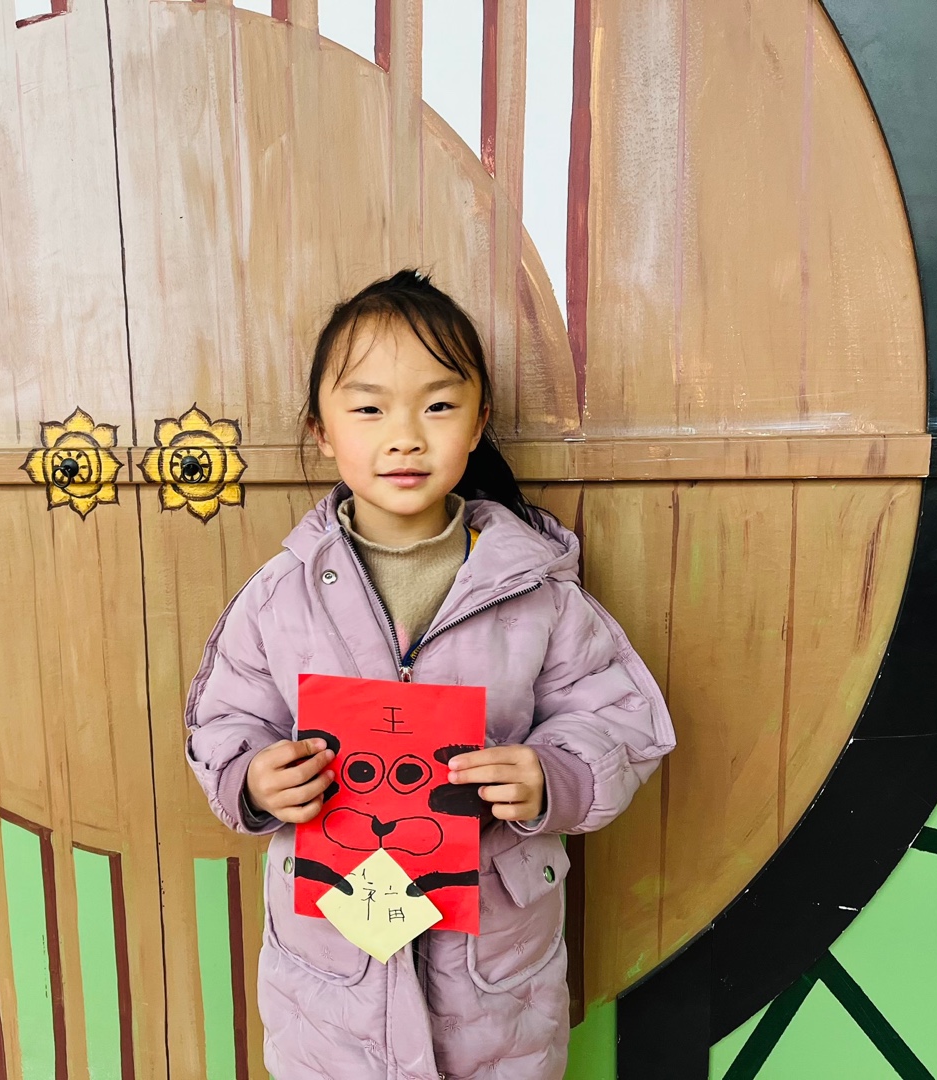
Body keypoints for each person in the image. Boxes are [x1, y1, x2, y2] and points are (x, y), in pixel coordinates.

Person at [182, 270, 676, 1079]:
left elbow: (621, 719)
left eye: (438, 406)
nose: (405, 437)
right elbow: (224, 724)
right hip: (332, 981)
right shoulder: (281, 595)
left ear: (479, 422)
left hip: (493, 983)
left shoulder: (536, 590)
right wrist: (253, 780)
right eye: (369, 409)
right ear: (320, 431)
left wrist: (550, 777)